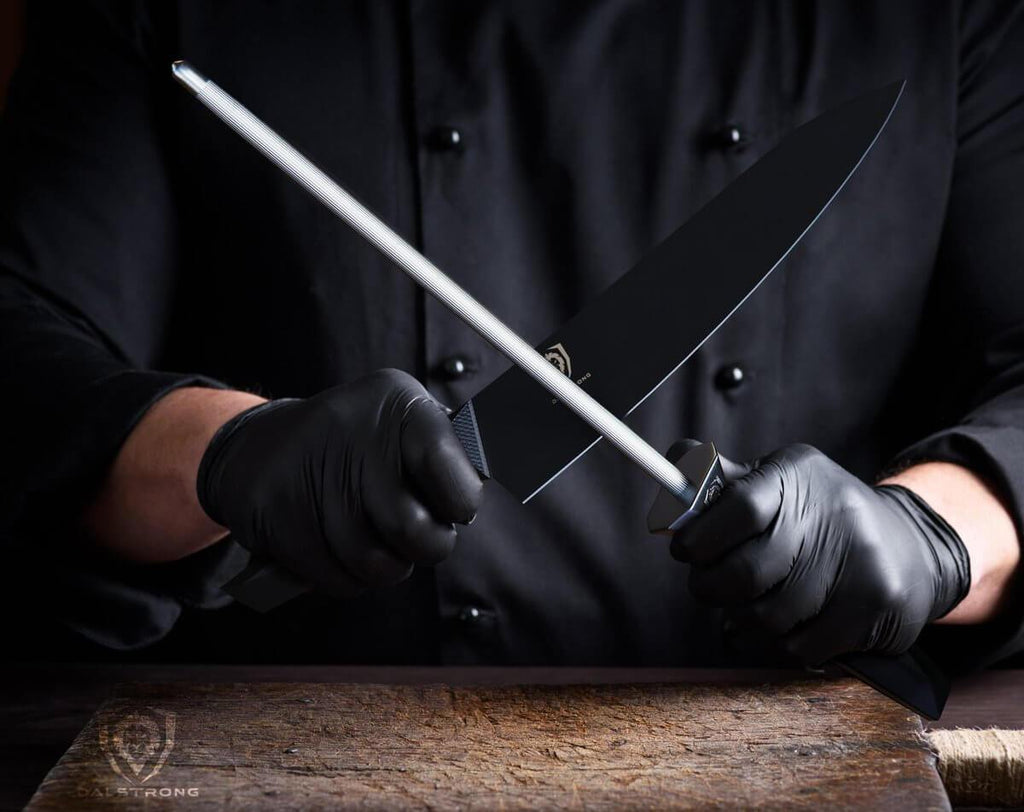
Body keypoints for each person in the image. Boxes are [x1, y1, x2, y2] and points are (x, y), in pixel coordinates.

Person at [0, 1, 1021, 673]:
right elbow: (21, 342)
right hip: (300, 749)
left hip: (797, 752)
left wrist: (930, 535)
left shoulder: (928, 15)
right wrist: (224, 451)